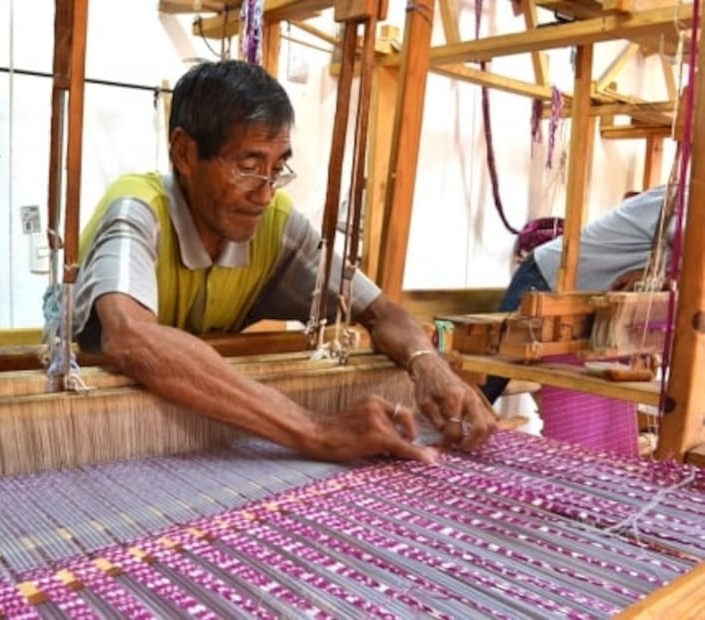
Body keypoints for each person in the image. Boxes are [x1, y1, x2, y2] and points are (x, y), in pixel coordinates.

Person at [72, 59, 495, 465]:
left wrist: (429, 365)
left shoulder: (274, 226)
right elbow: (131, 338)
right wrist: (314, 430)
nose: (265, 194)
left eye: (276, 170)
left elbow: (381, 312)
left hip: (197, 432)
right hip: (99, 437)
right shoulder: (136, 211)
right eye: (248, 167)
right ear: (184, 154)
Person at [482, 184, 675, 403]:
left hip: (588, 297)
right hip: (547, 277)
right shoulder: (685, 198)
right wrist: (662, 278)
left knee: (586, 407)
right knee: (489, 380)